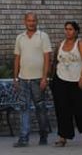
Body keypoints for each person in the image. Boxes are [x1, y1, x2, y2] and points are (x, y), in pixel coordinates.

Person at [51, 20, 82, 146]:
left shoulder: (80, 43)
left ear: (76, 31)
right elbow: (55, 61)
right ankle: (63, 136)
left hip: (79, 81)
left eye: (70, 29)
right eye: (66, 29)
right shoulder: (60, 44)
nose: (68, 32)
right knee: (62, 109)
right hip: (62, 79)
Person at [12, 12, 52, 147]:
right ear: (25, 22)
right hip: (23, 79)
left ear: (37, 22)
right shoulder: (20, 38)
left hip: (38, 79)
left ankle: (43, 134)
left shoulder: (43, 36)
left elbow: (47, 58)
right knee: (24, 108)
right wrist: (15, 77)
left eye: (33, 21)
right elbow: (17, 58)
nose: (31, 23)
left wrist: (44, 78)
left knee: (40, 108)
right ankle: (23, 138)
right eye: (29, 21)